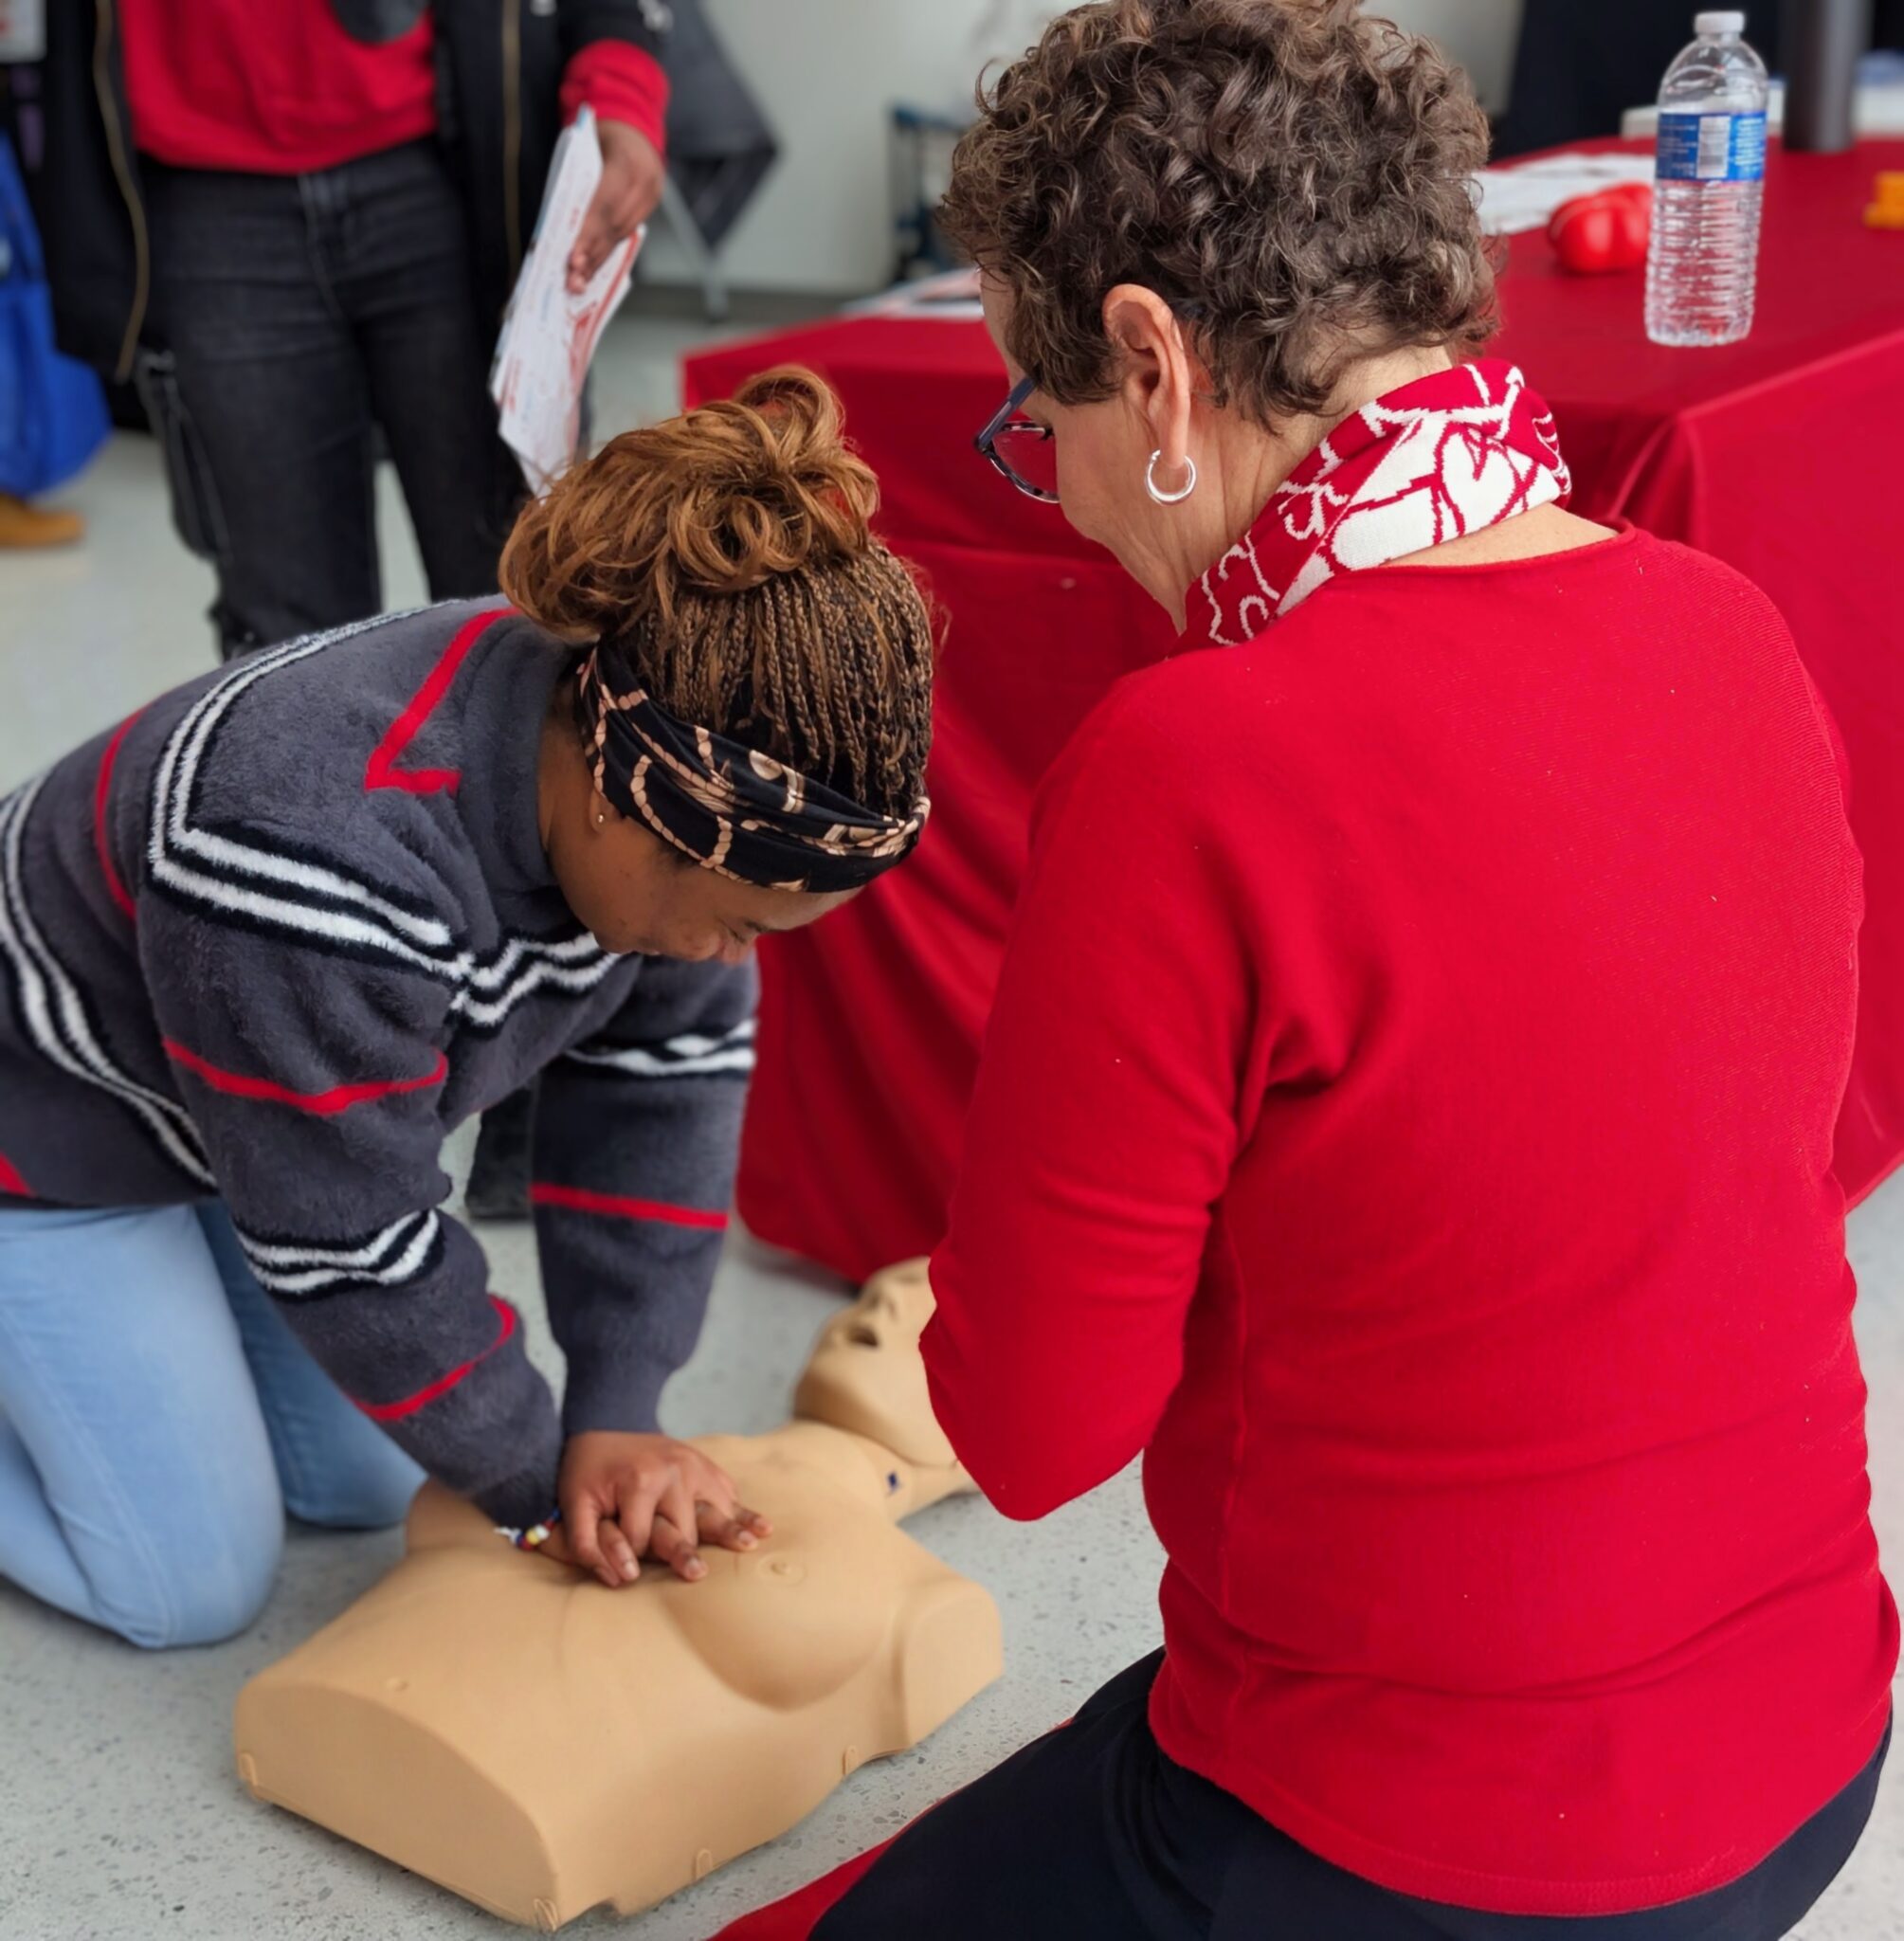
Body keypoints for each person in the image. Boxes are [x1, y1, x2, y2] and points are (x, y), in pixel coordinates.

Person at [812, 5, 1898, 1938]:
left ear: (1147, 364)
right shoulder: (1719, 622)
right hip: (1814, 1755)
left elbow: (1028, 1431)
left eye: (1031, 420)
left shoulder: (1188, 767)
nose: (1043, 487)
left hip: (1412, 1842)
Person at [0, 370, 937, 1650]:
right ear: (624, 808)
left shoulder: (653, 758)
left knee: (366, 1482)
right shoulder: (311, 851)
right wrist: (538, 1478)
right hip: (45, 1124)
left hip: (220, 1102)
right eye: (739, 926)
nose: (734, 956)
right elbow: (353, 1238)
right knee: (186, 1587)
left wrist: (614, 1412)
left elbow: (661, 1092)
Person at [233, 1262, 999, 1930]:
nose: (883, 1309)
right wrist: (524, 1483)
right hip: (339, 1692)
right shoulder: (668, 1456)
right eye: (887, 1292)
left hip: (528, 1814)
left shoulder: (929, 1602)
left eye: (935, 1318)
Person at [17, 0, 670, 660]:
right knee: (289, 641)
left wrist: (619, 77)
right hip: (205, 188)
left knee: (524, 608)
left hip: (457, 169)